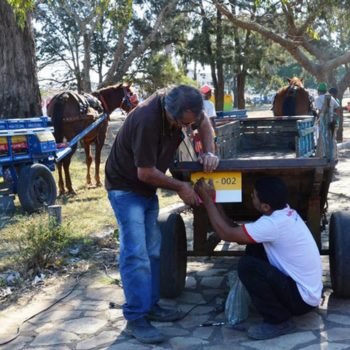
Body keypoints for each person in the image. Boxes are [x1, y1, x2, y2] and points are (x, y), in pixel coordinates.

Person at [105, 85, 219, 344]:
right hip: (125, 188)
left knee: (153, 249)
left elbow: (205, 125)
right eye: (181, 124)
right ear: (170, 112)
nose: (185, 128)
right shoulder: (147, 119)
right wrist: (180, 186)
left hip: (146, 190)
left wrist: (209, 152)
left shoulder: (187, 107)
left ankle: (151, 305)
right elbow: (144, 173)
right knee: (136, 253)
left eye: (188, 123)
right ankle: (136, 316)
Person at [194, 176, 322, 340]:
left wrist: (206, 200)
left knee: (247, 267)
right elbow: (235, 231)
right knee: (253, 245)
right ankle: (270, 305)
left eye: (254, 195)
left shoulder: (273, 224)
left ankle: (278, 320)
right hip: (306, 294)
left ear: (266, 206)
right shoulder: (285, 213)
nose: (251, 197)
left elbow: (226, 233)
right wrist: (214, 200)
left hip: (302, 301)